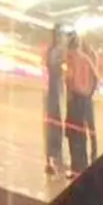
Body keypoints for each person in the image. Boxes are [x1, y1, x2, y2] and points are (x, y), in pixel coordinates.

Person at [66, 27, 99, 175]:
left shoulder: (71, 57)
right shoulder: (87, 58)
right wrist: (90, 92)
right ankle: (84, 164)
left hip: (75, 99)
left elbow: (70, 77)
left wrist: (69, 89)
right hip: (85, 98)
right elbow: (96, 76)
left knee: (73, 133)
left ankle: (75, 167)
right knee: (83, 132)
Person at [44, 24, 68, 179]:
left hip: (54, 92)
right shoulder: (55, 51)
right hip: (54, 92)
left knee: (54, 126)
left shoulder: (53, 50)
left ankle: (53, 158)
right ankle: (54, 158)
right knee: (54, 126)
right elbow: (53, 66)